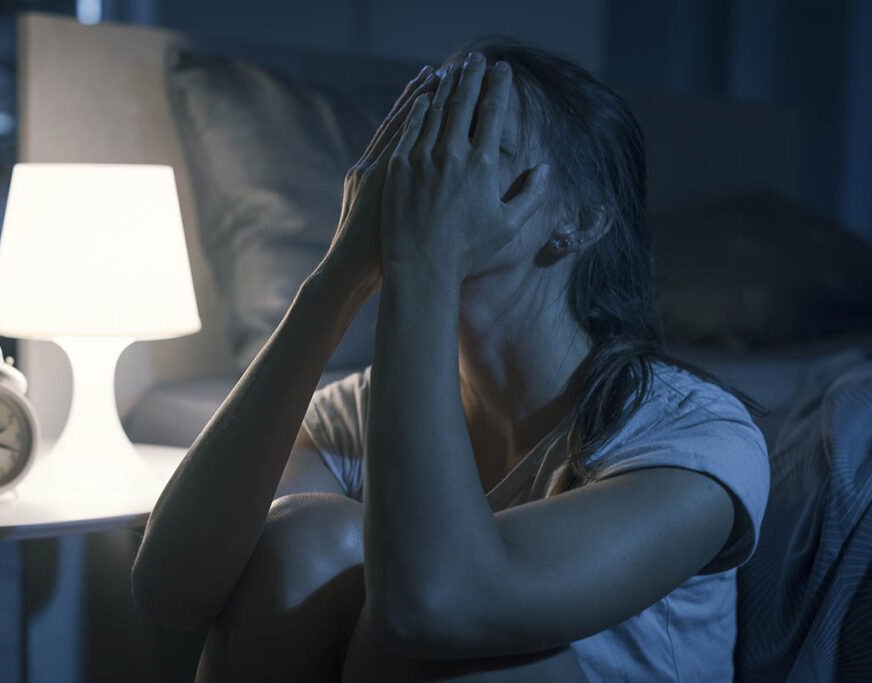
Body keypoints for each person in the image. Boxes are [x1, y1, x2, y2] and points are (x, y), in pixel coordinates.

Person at [132, 38, 771, 682]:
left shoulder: (692, 436)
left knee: (444, 640)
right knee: (304, 538)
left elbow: (435, 608)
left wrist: (424, 262)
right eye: (422, 141)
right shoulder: (356, 413)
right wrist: (337, 276)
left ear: (579, 221)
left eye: (477, 145)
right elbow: (171, 591)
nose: (427, 172)